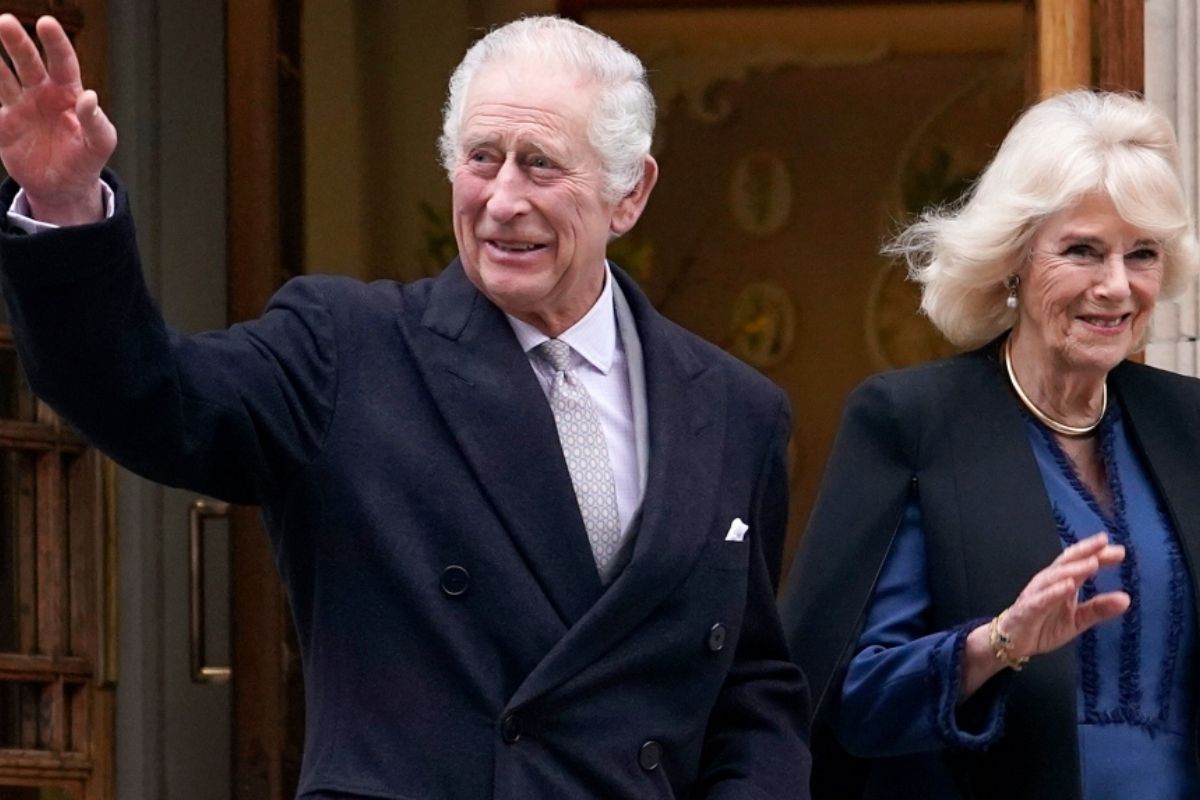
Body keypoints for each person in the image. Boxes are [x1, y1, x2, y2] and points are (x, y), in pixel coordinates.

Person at [0, 13, 812, 800]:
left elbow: (750, 688)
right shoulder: (346, 348)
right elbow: (149, 396)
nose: (501, 200)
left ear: (628, 194)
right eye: (481, 158)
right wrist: (68, 212)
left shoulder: (737, 410)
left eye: (539, 165)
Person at [781, 89, 1200, 800]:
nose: (1117, 287)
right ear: (1014, 259)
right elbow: (847, 700)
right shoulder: (912, 421)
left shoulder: (1185, 420)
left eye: (1143, 255)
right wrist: (998, 641)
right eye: (1082, 251)